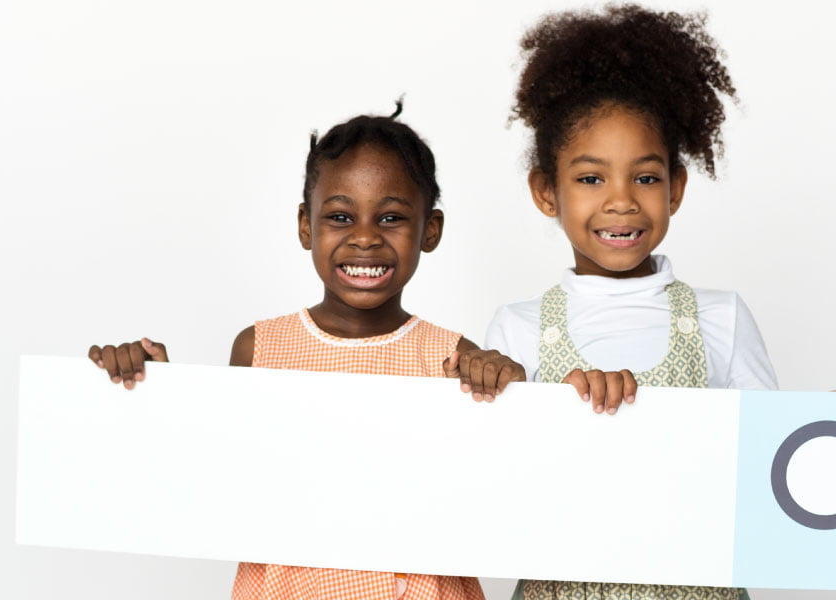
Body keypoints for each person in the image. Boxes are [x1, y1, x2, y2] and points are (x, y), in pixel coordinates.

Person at [485, 5, 836, 599]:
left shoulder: (722, 317)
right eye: (590, 178)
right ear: (545, 191)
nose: (621, 202)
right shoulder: (516, 329)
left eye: (645, 177)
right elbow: (498, 486)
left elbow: (779, 470)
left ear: (676, 187)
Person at [88, 102, 525, 600]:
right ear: (305, 225)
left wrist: (507, 387)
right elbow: (217, 478)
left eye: (391, 217)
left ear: (430, 229)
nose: (365, 237)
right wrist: (160, 393)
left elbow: (497, 487)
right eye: (340, 216)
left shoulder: (452, 357)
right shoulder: (260, 348)